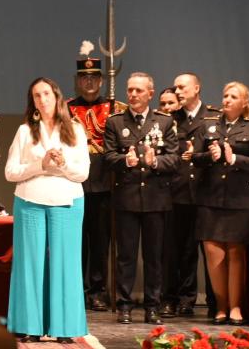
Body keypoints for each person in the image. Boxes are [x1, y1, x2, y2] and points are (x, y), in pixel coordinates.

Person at [5, 77, 90, 343]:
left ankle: (64, 328)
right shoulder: (24, 131)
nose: (42, 100)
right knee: (29, 265)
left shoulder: (74, 130)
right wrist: (40, 164)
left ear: (57, 97)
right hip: (30, 201)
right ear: (33, 102)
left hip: (67, 202)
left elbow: (83, 173)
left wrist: (63, 164)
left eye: (46, 94)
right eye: (36, 96)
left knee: (66, 265)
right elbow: (10, 172)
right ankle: (30, 325)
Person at [104, 72, 179, 325]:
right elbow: (108, 157)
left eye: (138, 90)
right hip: (126, 198)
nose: (133, 95)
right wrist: (125, 160)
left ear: (150, 92)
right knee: (125, 257)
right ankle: (124, 305)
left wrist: (154, 161)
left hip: (156, 199)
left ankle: (152, 307)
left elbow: (174, 158)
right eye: (130, 90)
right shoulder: (115, 122)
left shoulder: (165, 122)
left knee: (154, 257)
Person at [193, 81, 249, 326]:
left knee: (235, 252)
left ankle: (236, 307)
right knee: (213, 252)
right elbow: (194, 158)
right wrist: (211, 157)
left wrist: (235, 158)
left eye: (233, 96)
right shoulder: (208, 125)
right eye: (225, 95)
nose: (227, 99)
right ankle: (220, 306)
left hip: (239, 199)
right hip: (210, 197)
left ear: (244, 103)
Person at [66, 51, 122, 311]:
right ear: (78, 81)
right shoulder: (65, 108)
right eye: (84, 77)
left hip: (103, 183)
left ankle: (98, 291)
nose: (89, 82)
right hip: (73, 184)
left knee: (101, 241)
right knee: (76, 240)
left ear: (100, 81)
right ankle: (75, 288)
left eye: (93, 78)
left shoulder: (114, 108)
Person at [159, 73, 217, 318]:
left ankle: (215, 303)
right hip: (178, 191)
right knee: (175, 251)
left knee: (209, 252)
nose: (178, 91)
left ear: (197, 88)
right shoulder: (171, 119)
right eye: (177, 87)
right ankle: (175, 299)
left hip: (206, 193)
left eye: (183, 87)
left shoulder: (214, 117)